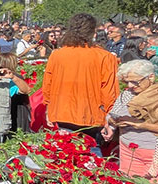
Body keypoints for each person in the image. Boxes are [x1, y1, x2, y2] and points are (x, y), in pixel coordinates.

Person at [42, 13, 119, 145]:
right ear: (93, 31)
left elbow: (48, 85)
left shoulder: (58, 55)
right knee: (92, 156)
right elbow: (109, 92)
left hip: (62, 112)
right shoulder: (105, 57)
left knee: (65, 153)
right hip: (91, 115)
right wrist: (110, 119)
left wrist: (49, 109)